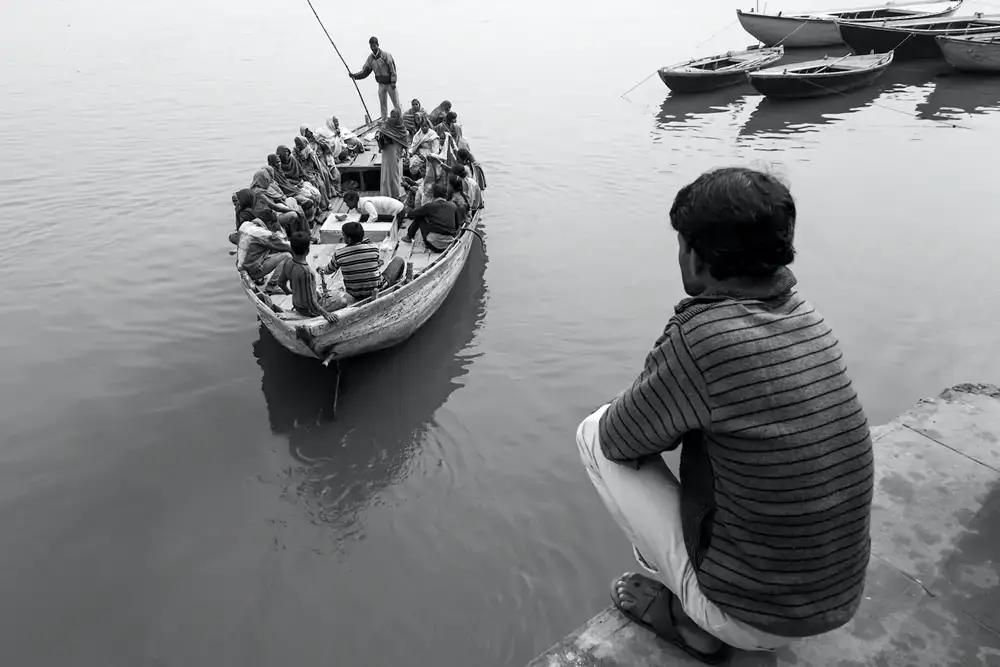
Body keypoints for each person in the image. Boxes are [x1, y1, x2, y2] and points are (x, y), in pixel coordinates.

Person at [575, 167, 873, 664]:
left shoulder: (703, 336)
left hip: (752, 615)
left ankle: (700, 624)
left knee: (593, 432)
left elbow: (619, 440)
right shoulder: (805, 315)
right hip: (837, 598)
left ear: (694, 255)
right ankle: (712, 594)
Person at [318, 221, 405, 301]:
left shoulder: (339, 254)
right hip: (377, 288)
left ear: (348, 239)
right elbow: (376, 262)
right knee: (399, 260)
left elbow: (327, 271)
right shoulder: (373, 248)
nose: (342, 237)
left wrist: (320, 269)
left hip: (354, 293)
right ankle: (395, 283)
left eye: (343, 235)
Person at [275, 232, 341, 323]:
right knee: (342, 300)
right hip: (308, 310)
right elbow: (310, 301)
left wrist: (290, 292)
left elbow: (280, 283)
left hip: (297, 304)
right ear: (308, 251)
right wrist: (326, 314)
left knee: (319, 292)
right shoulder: (306, 272)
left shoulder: (288, 262)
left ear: (291, 248)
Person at [233, 209, 292, 295]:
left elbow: (232, 237)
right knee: (287, 256)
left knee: (260, 248)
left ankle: (258, 279)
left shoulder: (244, 225)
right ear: (269, 223)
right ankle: (272, 285)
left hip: (241, 266)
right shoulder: (262, 233)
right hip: (252, 270)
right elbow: (285, 245)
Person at [350, 36, 401, 120]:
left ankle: (399, 120)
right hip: (381, 84)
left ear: (378, 45)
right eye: (371, 46)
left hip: (390, 84)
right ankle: (384, 120)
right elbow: (365, 71)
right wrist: (354, 76)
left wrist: (393, 82)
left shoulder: (386, 55)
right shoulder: (370, 59)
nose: (373, 48)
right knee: (382, 104)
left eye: (374, 46)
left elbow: (393, 69)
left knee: (396, 103)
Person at [403, 183, 461, 252]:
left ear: (433, 195)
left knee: (420, 216)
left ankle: (408, 237)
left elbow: (411, 214)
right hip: (450, 243)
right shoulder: (453, 205)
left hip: (433, 245)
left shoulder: (429, 206)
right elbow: (457, 226)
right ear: (446, 195)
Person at [377, 110, 408, 198]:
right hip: (387, 152)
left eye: (395, 116)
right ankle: (386, 193)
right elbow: (380, 132)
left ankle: (395, 193)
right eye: (392, 116)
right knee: (386, 172)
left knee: (395, 173)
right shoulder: (386, 125)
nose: (393, 118)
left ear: (398, 117)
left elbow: (404, 140)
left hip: (396, 153)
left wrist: (406, 152)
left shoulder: (401, 127)